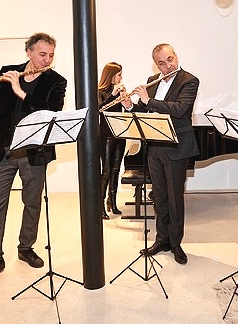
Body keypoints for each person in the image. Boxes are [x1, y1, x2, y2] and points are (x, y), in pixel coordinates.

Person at [0, 33, 67, 286]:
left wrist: (20, 92)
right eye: (42, 54)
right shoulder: (8, 72)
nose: (47, 59)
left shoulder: (57, 81)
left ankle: (25, 247)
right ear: (29, 52)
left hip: (35, 154)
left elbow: (53, 110)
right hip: (3, 151)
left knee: (32, 203)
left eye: (51, 55)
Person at [122, 43, 199, 264]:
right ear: (156, 64)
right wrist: (130, 106)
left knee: (175, 199)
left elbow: (179, 109)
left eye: (170, 60)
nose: (167, 66)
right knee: (159, 197)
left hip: (177, 147)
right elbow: (146, 112)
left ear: (176, 56)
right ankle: (162, 240)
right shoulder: (151, 81)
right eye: (161, 63)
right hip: (154, 146)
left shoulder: (189, 80)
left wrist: (148, 100)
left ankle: (176, 244)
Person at [98, 62, 127, 220]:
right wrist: (113, 94)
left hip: (119, 133)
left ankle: (112, 201)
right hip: (106, 135)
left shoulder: (120, 91)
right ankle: (100, 204)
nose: (121, 77)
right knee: (107, 171)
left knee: (116, 169)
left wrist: (124, 98)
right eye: (119, 74)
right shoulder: (101, 91)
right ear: (111, 75)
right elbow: (99, 108)